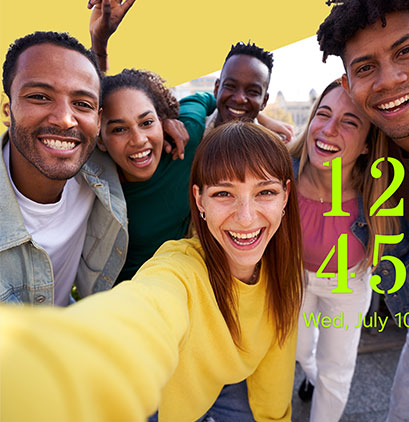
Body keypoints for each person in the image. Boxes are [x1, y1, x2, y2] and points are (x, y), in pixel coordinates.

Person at [1, 121, 304, 422]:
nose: (246, 217)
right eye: (224, 194)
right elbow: (142, 313)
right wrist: (49, 367)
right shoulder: (179, 270)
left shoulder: (284, 274)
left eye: (265, 192)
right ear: (200, 200)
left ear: (286, 196)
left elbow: (274, 386)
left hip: (215, 388)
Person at [318, 1, 409, 420]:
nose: (390, 79)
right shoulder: (373, 152)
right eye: (366, 67)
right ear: (348, 83)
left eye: (406, 51)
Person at [289, 79, 409, 421]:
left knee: (337, 368)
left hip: (348, 285)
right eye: (323, 114)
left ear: (367, 145)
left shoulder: (380, 192)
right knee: (302, 350)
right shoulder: (282, 172)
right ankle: (311, 378)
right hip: (295, 279)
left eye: (350, 122)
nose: (329, 129)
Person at [0, 31, 128, 306]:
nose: (65, 120)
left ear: (98, 119)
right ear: (7, 111)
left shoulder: (99, 167)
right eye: (40, 97)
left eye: (82, 105)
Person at [87, 0, 295, 143]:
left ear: (265, 100)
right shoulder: (187, 131)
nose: (240, 99)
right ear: (217, 88)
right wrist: (99, 42)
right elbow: (110, 111)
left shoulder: (274, 149)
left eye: (252, 92)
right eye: (230, 86)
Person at [98, 69, 216, 282]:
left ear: (162, 120)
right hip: (127, 301)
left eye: (146, 122)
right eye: (119, 130)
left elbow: (206, 98)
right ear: (99, 139)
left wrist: (264, 118)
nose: (138, 139)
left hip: (188, 287)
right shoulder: (92, 186)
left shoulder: (186, 139)